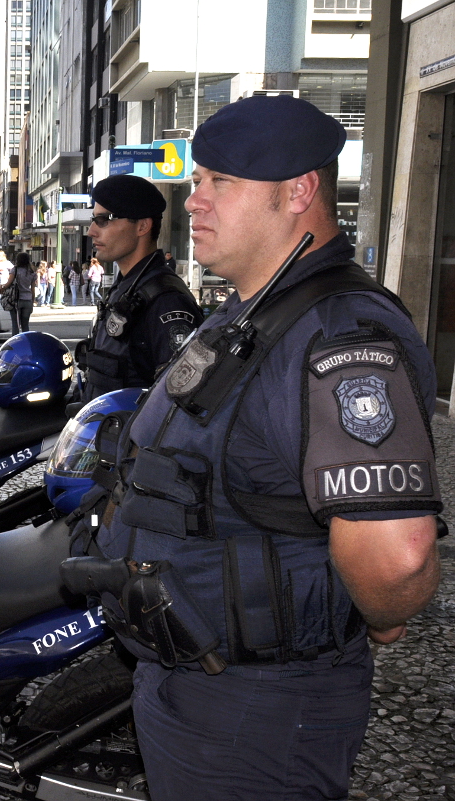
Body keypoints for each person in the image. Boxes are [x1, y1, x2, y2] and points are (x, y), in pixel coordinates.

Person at [79, 95, 444, 800]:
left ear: (299, 190)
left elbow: (397, 557)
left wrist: (385, 613)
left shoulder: (340, 336)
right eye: (198, 180)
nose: (195, 201)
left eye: (220, 181)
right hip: (201, 686)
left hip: (258, 713)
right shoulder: (257, 308)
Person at [76, 173, 203, 402]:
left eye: (104, 220)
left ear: (142, 226)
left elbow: (181, 404)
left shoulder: (166, 301)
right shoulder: (126, 286)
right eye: (94, 220)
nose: (91, 231)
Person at [0, 252, 38, 335]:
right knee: (25, 325)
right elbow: (33, 289)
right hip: (28, 300)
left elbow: (9, 283)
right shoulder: (32, 272)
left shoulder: (15, 270)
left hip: (16, 300)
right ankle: (26, 342)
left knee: (15, 324)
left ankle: (15, 344)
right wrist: (32, 300)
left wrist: (1, 289)